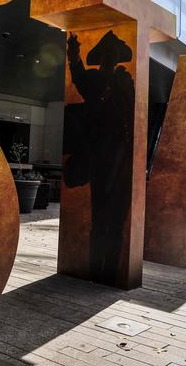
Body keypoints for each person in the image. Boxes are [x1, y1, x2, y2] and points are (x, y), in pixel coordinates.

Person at [63, 30, 135, 285]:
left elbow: (133, 115)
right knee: (100, 216)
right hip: (101, 154)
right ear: (104, 56)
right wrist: (74, 55)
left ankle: (110, 272)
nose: (112, 57)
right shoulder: (94, 80)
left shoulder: (125, 80)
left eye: (115, 53)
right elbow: (80, 78)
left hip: (124, 157)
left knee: (117, 217)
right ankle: (96, 271)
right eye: (109, 52)